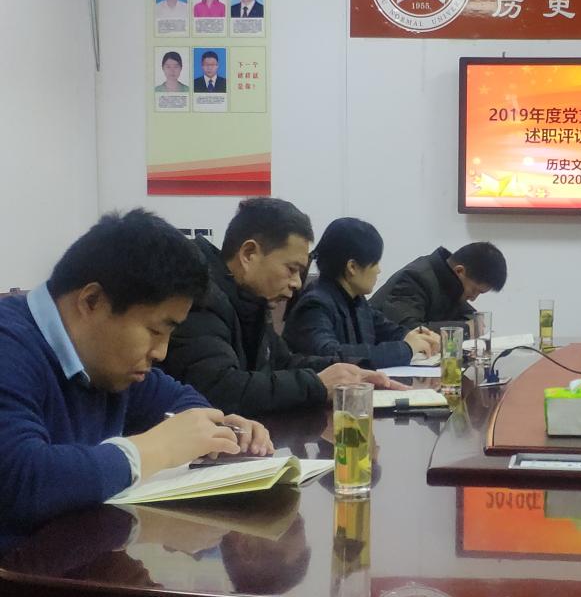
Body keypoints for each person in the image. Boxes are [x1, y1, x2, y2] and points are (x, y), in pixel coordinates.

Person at [0, 209, 272, 543]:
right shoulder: (10, 345)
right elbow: (20, 480)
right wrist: (154, 449)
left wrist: (217, 428)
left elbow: (178, 400)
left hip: (75, 560)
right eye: (155, 330)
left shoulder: (104, 362)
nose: (161, 353)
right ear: (92, 301)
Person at [161, 198, 398, 416]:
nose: (297, 283)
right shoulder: (198, 296)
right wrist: (317, 385)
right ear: (249, 254)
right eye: (291, 269)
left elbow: (284, 362)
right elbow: (221, 389)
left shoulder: (250, 300)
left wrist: (349, 370)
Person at [284, 218, 440, 369]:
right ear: (352, 267)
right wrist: (406, 348)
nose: (379, 270)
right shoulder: (314, 305)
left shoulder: (357, 300)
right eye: (375, 263)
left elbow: (387, 330)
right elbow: (331, 355)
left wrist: (415, 336)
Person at [369, 242, 507, 331]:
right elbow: (409, 331)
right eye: (475, 291)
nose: (473, 298)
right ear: (459, 271)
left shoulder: (450, 283)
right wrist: (465, 329)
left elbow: (469, 316)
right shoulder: (414, 278)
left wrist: (474, 322)